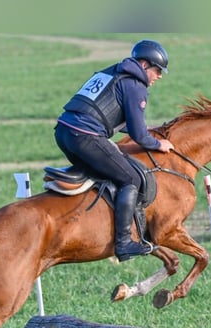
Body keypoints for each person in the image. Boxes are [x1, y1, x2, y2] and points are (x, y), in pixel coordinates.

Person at [54, 39, 175, 262]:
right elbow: (140, 138)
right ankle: (124, 243)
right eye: (158, 70)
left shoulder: (111, 72)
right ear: (144, 65)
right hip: (85, 137)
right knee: (131, 178)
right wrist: (159, 144)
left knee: (108, 172)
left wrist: (143, 129)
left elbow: (110, 115)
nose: (159, 76)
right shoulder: (135, 86)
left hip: (63, 132)